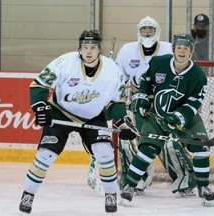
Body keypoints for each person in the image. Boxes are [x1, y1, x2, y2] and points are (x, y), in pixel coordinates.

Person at [18, 29, 138, 214]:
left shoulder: (112, 69)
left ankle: (111, 195)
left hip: (94, 115)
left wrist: (122, 121)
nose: (88, 51)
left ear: (100, 49)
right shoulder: (65, 62)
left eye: (93, 47)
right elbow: (40, 84)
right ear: (79, 48)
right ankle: (28, 194)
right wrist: (40, 106)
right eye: (84, 47)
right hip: (60, 113)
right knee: (44, 156)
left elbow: (117, 101)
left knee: (105, 153)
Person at [120, 34, 214, 207]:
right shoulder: (158, 63)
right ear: (173, 50)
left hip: (185, 117)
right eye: (179, 48)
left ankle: (204, 187)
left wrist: (177, 117)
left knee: (201, 147)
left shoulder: (198, 76)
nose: (182, 51)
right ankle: (129, 186)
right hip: (156, 114)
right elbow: (146, 83)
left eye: (186, 48)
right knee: (147, 150)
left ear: (191, 52)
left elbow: (194, 103)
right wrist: (142, 99)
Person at [115, 16, 195, 197]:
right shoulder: (128, 50)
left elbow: (185, 73)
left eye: (151, 29)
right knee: (128, 140)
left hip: (165, 104)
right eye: (144, 30)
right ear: (138, 32)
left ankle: (185, 181)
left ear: (157, 31)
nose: (147, 33)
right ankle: (135, 181)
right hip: (137, 102)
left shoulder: (169, 48)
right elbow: (118, 79)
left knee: (169, 144)